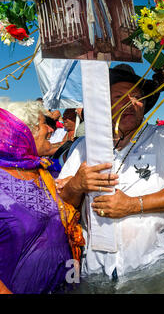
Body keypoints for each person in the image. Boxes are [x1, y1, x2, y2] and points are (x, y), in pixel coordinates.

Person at [57, 64, 164, 279]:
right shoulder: (84, 145)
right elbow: (61, 202)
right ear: (104, 103)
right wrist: (76, 185)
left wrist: (133, 205)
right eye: (120, 96)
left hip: (151, 265)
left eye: (136, 96)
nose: (130, 103)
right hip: (94, 269)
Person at [0, 101, 84, 294]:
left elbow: (66, 214)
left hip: (67, 285)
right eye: (41, 124)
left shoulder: (45, 171)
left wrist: (74, 185)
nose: (50, 128)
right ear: (21, 132)